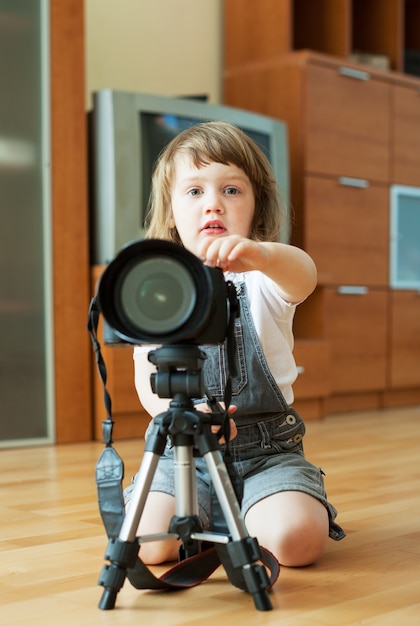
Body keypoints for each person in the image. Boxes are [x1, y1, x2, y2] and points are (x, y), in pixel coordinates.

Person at [124, 121, 344, 568]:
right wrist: (175, 415)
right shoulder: (154, 287)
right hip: (182, 452)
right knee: (148, 545)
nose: (213, 205)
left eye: (231, 190)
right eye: (194, 192)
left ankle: (244, 514)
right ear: (170, 212)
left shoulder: (263, 276)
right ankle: (225, 518)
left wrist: (261, 255)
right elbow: (148, 380)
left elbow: (304, 275)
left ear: (255, 205)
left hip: (267, 453)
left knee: (296, 543)